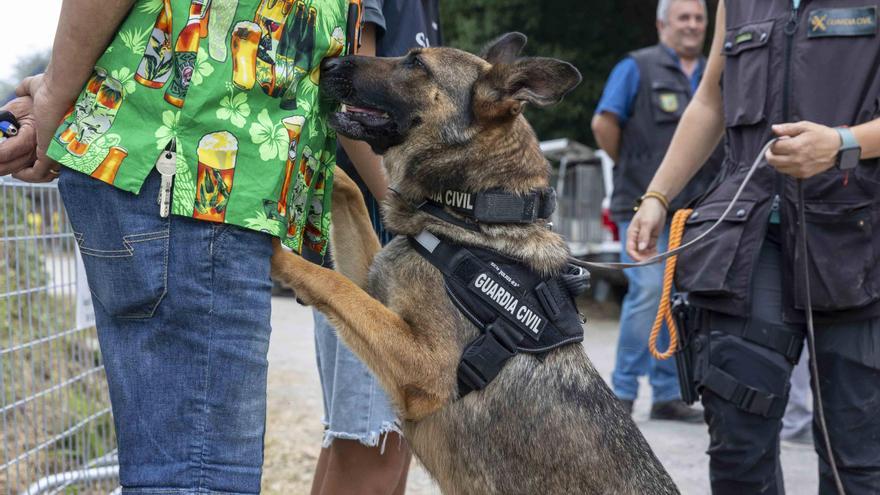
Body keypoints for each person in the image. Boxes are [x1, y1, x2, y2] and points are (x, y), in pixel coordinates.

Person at [2, 0, 363, 492]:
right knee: (197, 475)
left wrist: (59, 98)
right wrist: (54, 104)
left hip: (188, 173)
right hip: (191, 176)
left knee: (184, 468)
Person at [628, 0, 880, 492]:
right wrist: (657, 196)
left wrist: (842, 143)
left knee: (858, 458)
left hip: (860, 245)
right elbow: (710, 102)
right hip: (749, 242)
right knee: (737, 448)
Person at [305, 1, 441, 494]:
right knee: (373, 442)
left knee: (370, 441)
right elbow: (350, 87)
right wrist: (413, 218)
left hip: (389, 228)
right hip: (379, 233)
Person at [590, 0, 719, 422]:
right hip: (641, 202)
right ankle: (623, 391)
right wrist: (632, 164)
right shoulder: (636, 67)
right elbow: (603, 124)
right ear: (662, 23)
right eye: (684, 17)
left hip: (697, 210)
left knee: (680, 298)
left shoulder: (714, 71)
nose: (693, 25)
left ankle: (668, 394)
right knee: (647, 291)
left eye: (700, 18)